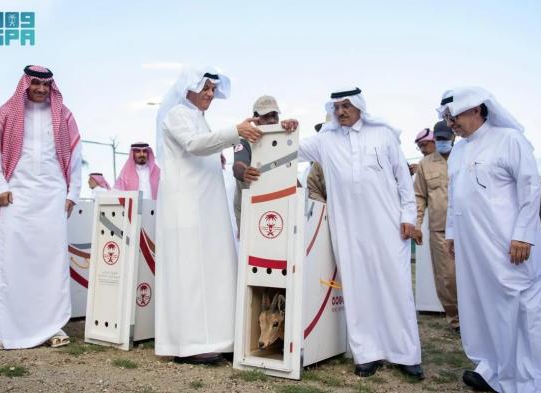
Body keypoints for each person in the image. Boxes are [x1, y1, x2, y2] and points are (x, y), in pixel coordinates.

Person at [297, 87, 423, 379]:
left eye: (346, 106)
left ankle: (406, 354)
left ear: (359, 107)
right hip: (349, 229)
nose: (340, 112)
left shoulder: (383, 135)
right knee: (358, 288)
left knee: (397, 286)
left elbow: (405, 183)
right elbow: (293, 149)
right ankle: (366, 354)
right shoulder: (325, 140)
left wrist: (408, 217)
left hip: (389, 227)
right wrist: (286, 128)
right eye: (336, 107)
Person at [439, 86, 541, 392]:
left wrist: (523, 235)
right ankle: (496, 371)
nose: (450, 123)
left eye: (454, 116)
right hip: (474, 249)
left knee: (526, 313)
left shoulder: (509, 140)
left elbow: (530, 188)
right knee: (485, 308)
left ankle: (537, 381)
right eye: (446, 117)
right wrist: (452, 233)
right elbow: (455, 197)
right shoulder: (460, 150)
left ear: (476, 110)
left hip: (511, 247)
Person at [154, 67, 262, 364]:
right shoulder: (177, 113)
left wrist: (223, 146)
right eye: (206, 88)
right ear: (189, 87)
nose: (211, 94)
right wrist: (233, 132)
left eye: (214, 90)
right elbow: (194, 145)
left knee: (216, 270)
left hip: (208, 209)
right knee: (189, 273)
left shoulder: (199, 118)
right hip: (186, 208)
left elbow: (206, 145)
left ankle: (219, 338)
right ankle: (188, 345)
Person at [0, 65, 82, 350]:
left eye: (46, 85)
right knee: (9, 260)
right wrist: (0, 187)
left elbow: (75, 155)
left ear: (52, 87)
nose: (40, 89)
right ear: (26, 84)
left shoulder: (63, 115)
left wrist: (73, 192)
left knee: (51, 263)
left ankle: (53, 327)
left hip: (52, 195)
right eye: (35, 83)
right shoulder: (8, 112)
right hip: (16, 195)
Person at [412, 121, 459, 332]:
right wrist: (416, 224)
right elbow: (419, 196)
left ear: (453, 138)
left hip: (469, 228)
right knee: (446, 278)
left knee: (475, 276)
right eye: (438, 139)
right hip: (440, 230)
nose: (442, 142)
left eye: (445, 139)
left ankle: (479, 319)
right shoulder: (425, 164)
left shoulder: (466, 156)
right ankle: (457, 320)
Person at [232, 95, 298, 230]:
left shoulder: (281, 140)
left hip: (275, 208)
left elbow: (289, 174)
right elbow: (238, 166)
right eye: (266, 116)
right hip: (250, 208)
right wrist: (244, 172)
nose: (272, 120)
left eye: (275, 115)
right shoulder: (244, 140)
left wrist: (290, 133)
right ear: (255, 119)